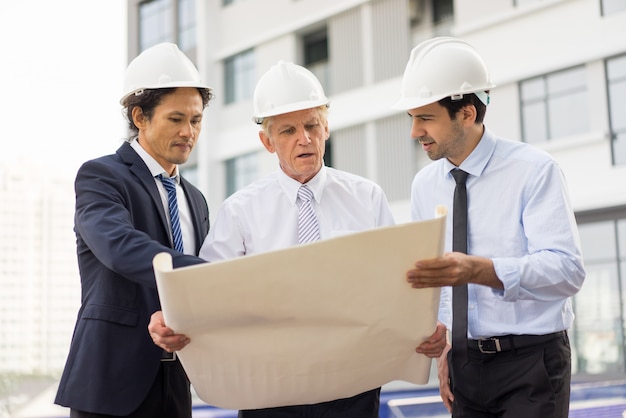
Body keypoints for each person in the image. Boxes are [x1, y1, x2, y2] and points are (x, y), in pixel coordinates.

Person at [149, 60, 447, 417]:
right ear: (267, 141)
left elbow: (400, 285)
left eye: (311, 126)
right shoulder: (240, 211)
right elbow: (208, 295)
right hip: (269, 393)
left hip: (353, 387)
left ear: (326, 129)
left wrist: (425, 327)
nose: (303, 139)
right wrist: (175, 320)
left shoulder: (366, 197)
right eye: (288, 130)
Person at [394, 37, 586, 417]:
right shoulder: (424, 185)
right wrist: (447, 343)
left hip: (531, 364)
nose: (415, 131)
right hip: (465, 366)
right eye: (412, 118)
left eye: (426, 117)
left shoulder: (534, 171)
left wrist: (481, 270)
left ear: (466, 114)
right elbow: (440, 285)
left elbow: (567, 270)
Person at [55, 43, 213, 418]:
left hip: (178, 382)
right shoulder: (102, 176)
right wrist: (217, 277)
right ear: (139, 116)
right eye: (176, 119)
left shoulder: (197, 200)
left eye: (196, 119)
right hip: (111, 382)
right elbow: (120, 246)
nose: (189, 131)